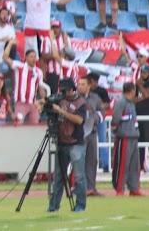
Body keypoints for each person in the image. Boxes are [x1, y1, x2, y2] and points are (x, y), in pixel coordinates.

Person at [47, 77, 88, 213]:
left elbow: (79, 120)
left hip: (76, 142)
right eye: (61, 90)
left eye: (65, 91)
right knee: (58, 176)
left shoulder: (81, 102)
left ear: (72, 90)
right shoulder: (60, 99)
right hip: (62, 142)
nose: (63, 93)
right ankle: (53, 205)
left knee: (79, 177)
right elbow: (45, 104)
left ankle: (80, 205)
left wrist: (62, 111)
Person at [111, 82, 142, 196]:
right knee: (122, 164)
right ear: (132, 90)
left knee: (134, 165)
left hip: (133, 136)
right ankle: (119, 188)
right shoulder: (121, 103)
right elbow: (115, 120)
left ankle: (134, 188)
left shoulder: (131, 103)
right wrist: (118, 132)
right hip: (124, 137)